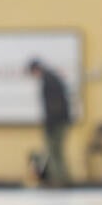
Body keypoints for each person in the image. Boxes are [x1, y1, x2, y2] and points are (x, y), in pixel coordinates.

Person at [27, 57, 72, 187]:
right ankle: (62, 178)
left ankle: (58, 180)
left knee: (53, 151)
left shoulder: (48, 80)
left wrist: (50, 124)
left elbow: (53, 105)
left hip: (55, 122)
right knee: (57, 151)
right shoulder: (52, 77)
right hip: (60, 120)